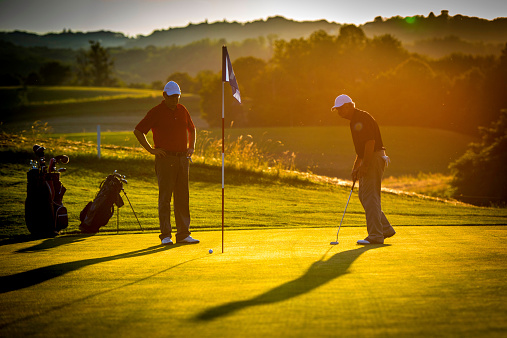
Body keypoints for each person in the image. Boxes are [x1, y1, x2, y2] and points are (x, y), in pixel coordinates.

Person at [134, 81, 199, 245]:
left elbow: (192, 129)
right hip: (165, 159)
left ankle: (183, 234)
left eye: (177, 96)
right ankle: (166, 235)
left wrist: (191, 147)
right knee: (165, 198)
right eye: (172, 97)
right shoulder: (156, 112)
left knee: (183, 197)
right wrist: (151, 150)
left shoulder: (182, 110)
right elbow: (138, 131)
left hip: (183, 159)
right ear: (164, 95)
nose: (175, 100)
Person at [331, 94, 395, 244]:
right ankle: (385, 229)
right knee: (365, 196)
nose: (339, 112)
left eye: (341, 109)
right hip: (369, 157)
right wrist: (356, 168)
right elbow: (360, 150)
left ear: (349, 105)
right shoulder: (354, 120)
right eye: (337, 110)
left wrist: (365, 165)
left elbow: (370, 142)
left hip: (373, 157)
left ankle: (375, 235)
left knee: (370, 197)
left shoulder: (361, 118)